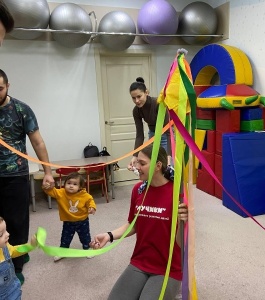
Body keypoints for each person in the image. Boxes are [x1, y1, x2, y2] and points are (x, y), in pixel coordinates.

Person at [90, 145, 188, 300]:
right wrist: (109, 236)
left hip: (168, 268)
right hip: (140, 261)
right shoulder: (138, 190)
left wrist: (184, 222)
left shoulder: (178, 194)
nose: (136, 167)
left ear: (158, 166)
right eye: (136, 163)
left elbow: (182, 245)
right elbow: (133, 224)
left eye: (142, 163)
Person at [0, 69, 55, 285]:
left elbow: (38, 142)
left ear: (8, 86)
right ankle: (7, 255)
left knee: (16, 221)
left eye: (0, 89)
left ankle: (17, 265)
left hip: (16, 174)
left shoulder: (22, 110)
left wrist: (48, 172)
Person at [43, 172, 96, 262]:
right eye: (69, 183)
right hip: (68, 221)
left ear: (80, 187)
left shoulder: (85, 195)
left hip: (82, 221)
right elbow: (52, 192)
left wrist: (92, 208)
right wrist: (47, 187)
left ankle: (87, 250)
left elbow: (90, 201)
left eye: (75, 184)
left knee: (85, 237)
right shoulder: (61, 193)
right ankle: (63, 251)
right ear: (65, 184)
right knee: (65, 237)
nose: (71, 186)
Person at [127, 77, 172, 171]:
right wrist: (135, 156)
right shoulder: (136, 111)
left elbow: (168, 132)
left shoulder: (158, 103)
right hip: (152, 134)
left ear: (146, 92)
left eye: (139, 96)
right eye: (133, 98)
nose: (136, 101)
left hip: (166, 135)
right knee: (153, 167)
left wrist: (169, 156)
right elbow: (139, 135)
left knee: (167, 168)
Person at [0, 216, 37, 299]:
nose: (7, 234)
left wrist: (30, 246)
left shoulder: (5, 247)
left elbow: (13, 251)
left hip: (13, 290)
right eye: (1, 234)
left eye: (6, 230)